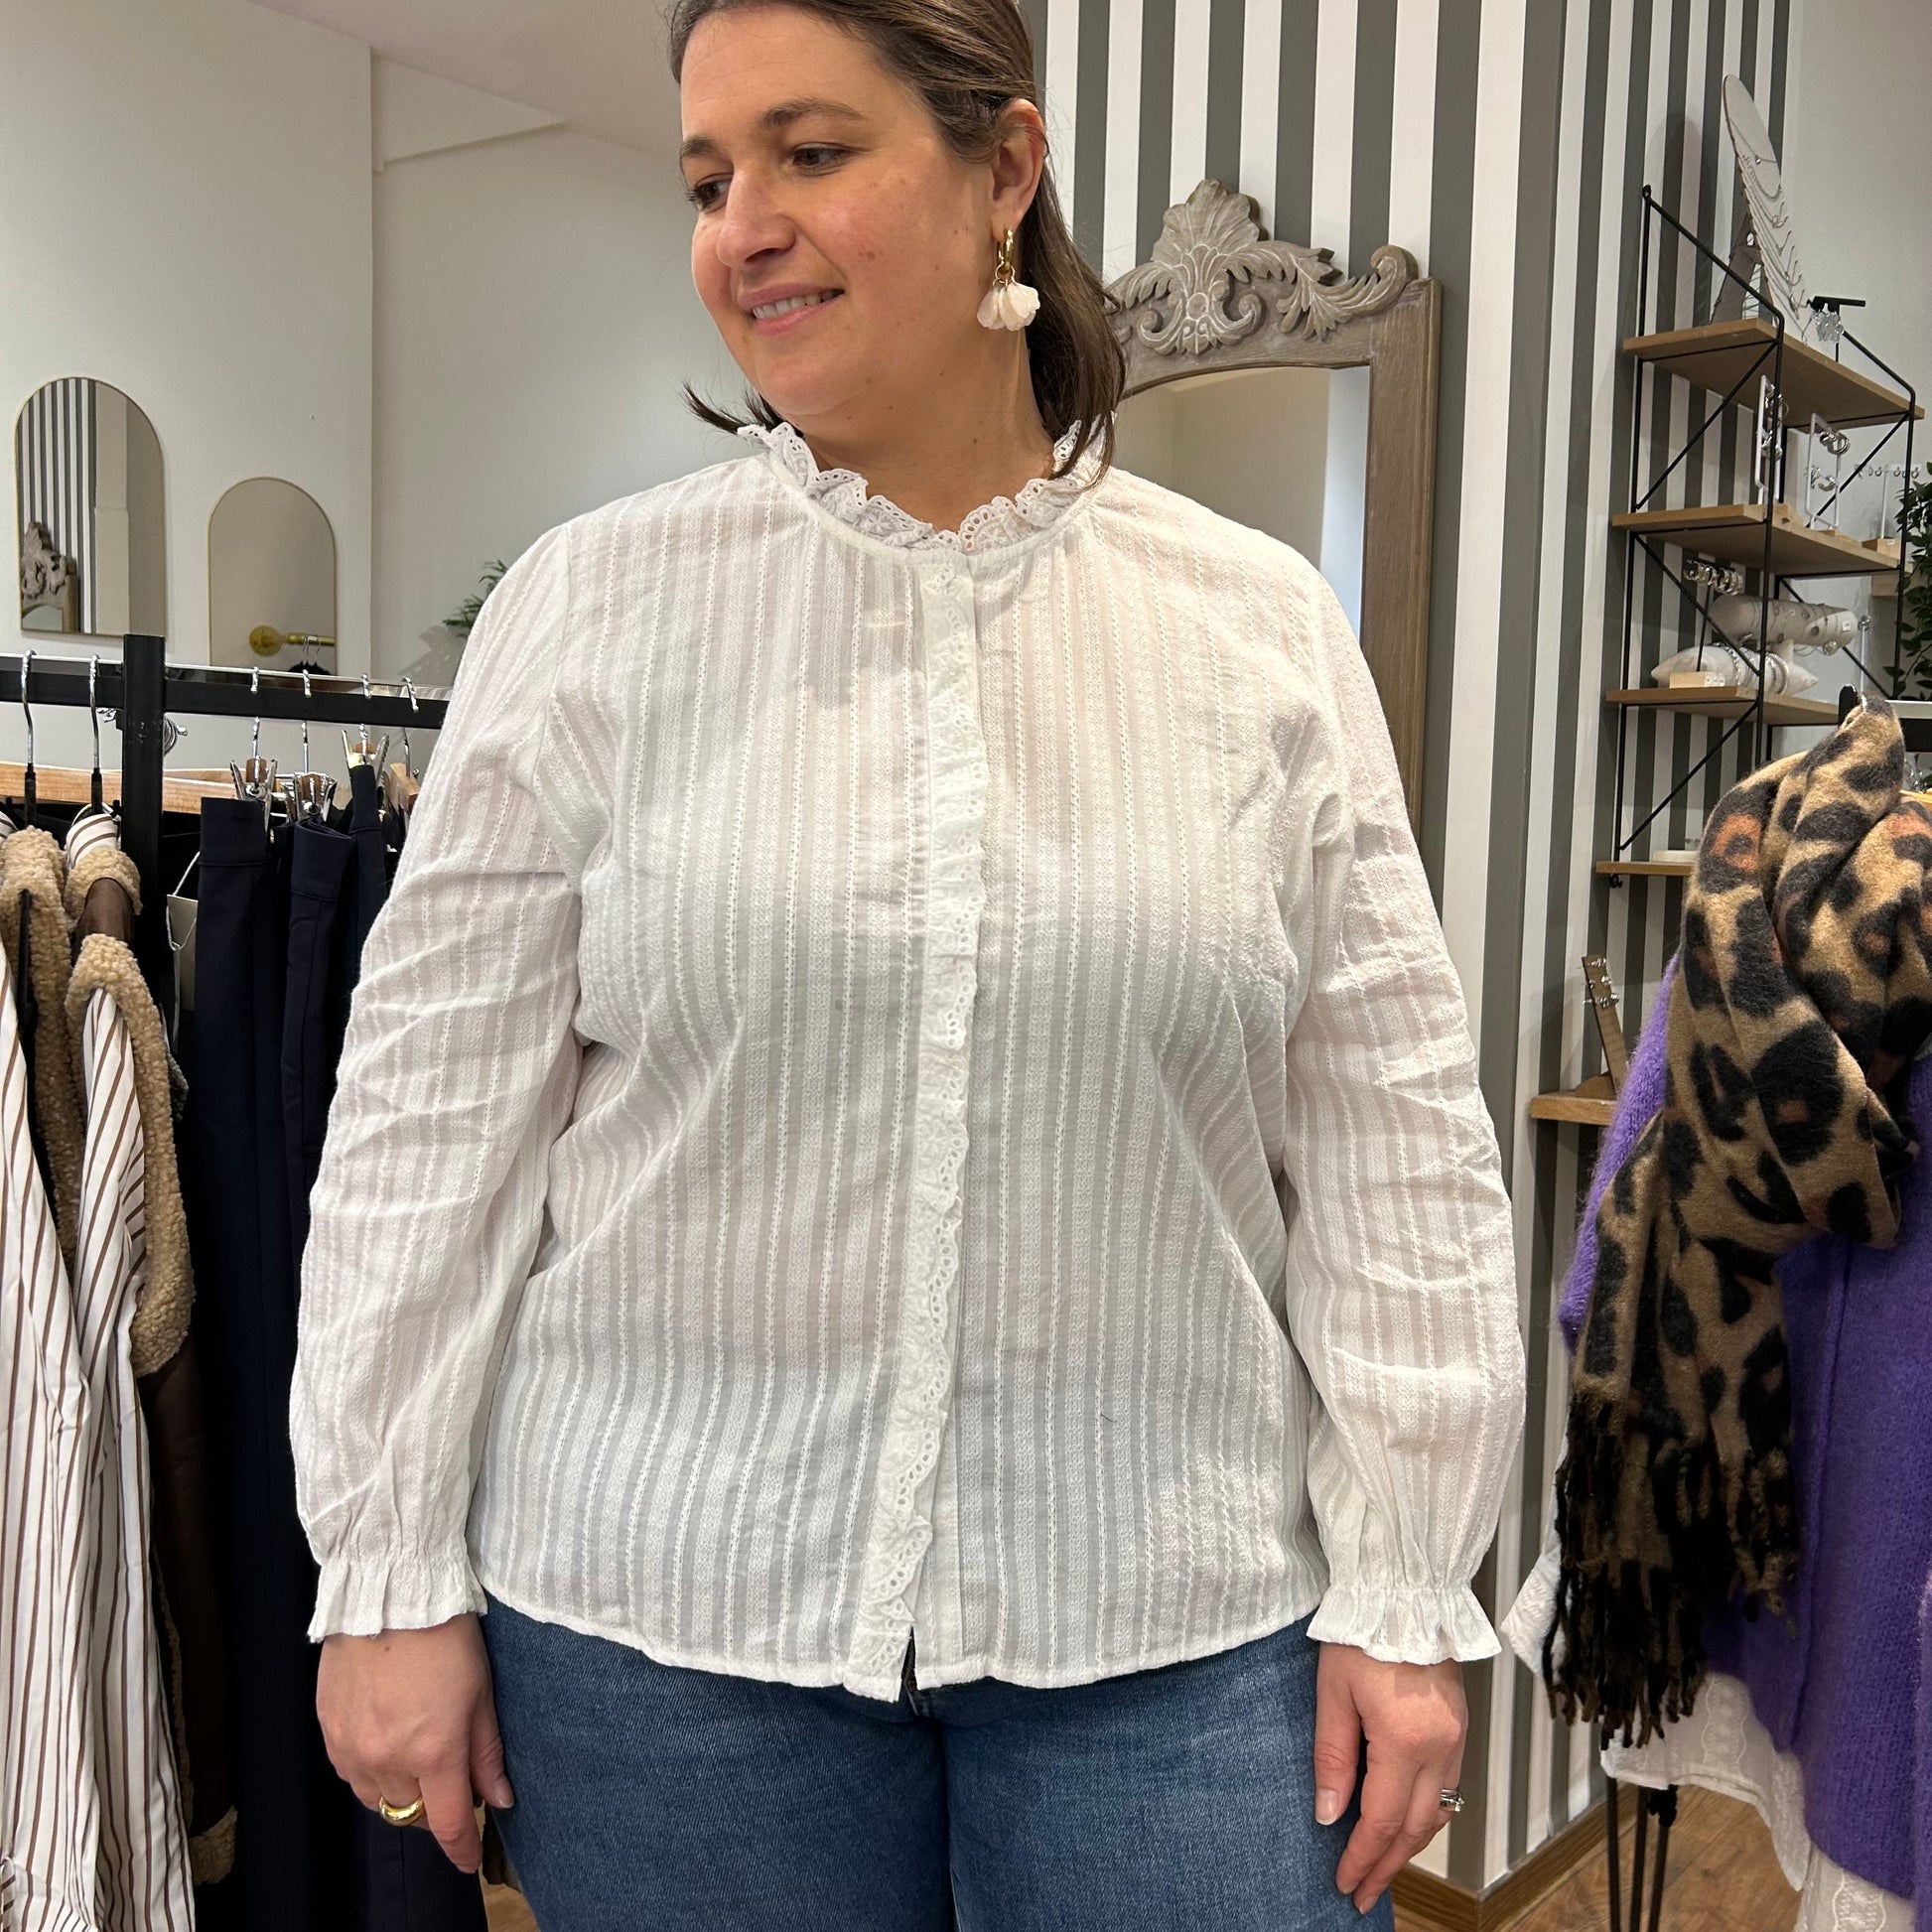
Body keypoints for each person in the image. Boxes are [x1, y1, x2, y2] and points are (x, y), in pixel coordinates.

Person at [289, 1, 1527, 1925]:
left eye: (810, 151)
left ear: (1003, 170)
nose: (743, 227)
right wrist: (383, 1570)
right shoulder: (587, 613)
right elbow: (426, 1123)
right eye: (708, 179)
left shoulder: (1259, 634)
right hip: (667, 1626)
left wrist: (1405, 1577)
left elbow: (1390, 1140)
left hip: (1179, 1627)